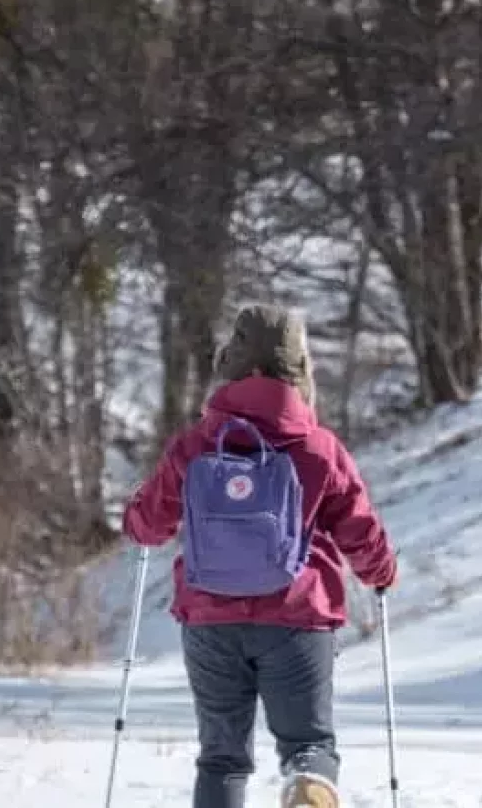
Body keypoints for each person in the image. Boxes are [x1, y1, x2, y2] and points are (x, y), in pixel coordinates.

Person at [123, 304, 398, 808]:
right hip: (296, 616)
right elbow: (358, 527)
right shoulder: (318, 448)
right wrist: (381, 570)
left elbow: (149, 524)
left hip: (209, 620)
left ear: (233, 365)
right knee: (308, 743)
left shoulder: (196, 443)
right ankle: (307, 787)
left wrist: (137, 518)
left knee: (222, 758)